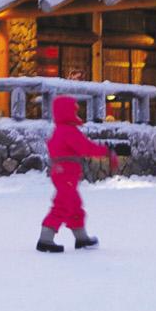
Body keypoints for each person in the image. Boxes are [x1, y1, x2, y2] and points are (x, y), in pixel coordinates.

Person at [36, 95, 119, 253]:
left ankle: (81, 238)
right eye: (74, 109)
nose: (76, 112)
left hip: (62, 173)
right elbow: (85, 147)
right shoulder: (68, 131)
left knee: (74, 206)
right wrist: (106, 151)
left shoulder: (60, 130)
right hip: (66, 174)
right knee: (61, 205)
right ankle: (45, 239)